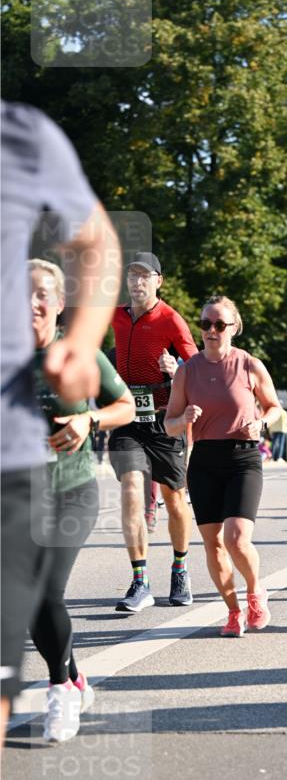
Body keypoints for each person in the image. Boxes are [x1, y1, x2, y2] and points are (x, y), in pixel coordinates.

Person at [1, 100, 120, 780]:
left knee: (47, 594)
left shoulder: (20, 138)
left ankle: (66, 682)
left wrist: (79, 362)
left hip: (50, 486)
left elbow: (97, 243)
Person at [29, 259, 135, 741]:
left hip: (71, 492)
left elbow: (125, 405)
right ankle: (73, 677)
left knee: (44, 591)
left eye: (41, 295)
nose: (31, 303)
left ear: (58, 304)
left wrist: (87, 420)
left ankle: (60, 693)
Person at [165, 296, 281, 636]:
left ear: (234, 327)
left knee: (237, 538)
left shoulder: (249, 365)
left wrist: (261, 423)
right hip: (204, 460)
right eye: (205, 324)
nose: (211, 330)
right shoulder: (187, 371)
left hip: (243, 458)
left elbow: (274, 407)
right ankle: (233, 611)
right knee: (213, 544)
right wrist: (183, 418)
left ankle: (255, 592)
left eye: (219, 324)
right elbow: (169, 424)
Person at [109, 253, 198, 611]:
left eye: (144, 276)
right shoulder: (116, 315)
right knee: (132, 488)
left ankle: (180, 568)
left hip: (164, 421)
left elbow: (197, 367)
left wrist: (177, 368)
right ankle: (140, 581)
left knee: (175, 501)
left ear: (158, 281)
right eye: (132, 275)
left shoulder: (172, 320)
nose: (137, 282)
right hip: (128, 418)